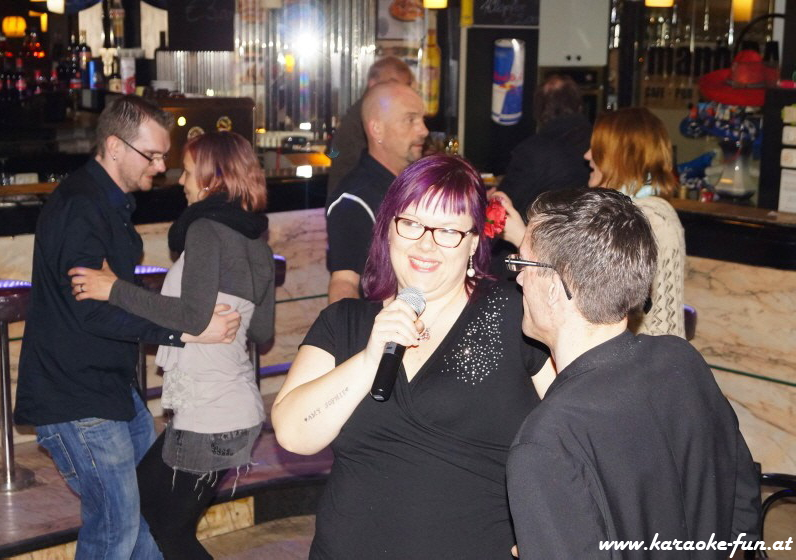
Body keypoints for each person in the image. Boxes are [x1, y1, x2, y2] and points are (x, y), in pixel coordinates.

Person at [273, 154, 552, 559]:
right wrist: (368, 360)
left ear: (474, 241)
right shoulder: (344, 322)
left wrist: (551, 525)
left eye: (447, 230)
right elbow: (293, 434)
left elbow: (576, 431)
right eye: (412, 223)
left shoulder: (514, 314)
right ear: (388, 227)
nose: (425, 243)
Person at [14, 96, 240, 560]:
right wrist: (186, 331)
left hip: (111, 388)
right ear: (115, 147)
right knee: (115, 530)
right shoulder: (81, 207)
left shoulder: (107, 202)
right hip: (76, 396)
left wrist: (179, 319)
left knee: (150, 520)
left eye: (163, 156)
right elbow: (92, 311)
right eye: (152, 155)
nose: (160, 167)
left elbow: (115, 296)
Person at [506, 188, 760, 559]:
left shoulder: (548, 440)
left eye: (523, 265)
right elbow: (743, 508)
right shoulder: (682, 361)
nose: (517, 279)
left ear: (557, 287)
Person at [68, 131, 275, 560]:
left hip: (209, 413)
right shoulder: (257, 242)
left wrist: (113, 289)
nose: (180, 179)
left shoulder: (205, 229)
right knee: (151, 516)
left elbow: (191, 317)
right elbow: (262, 330)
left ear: (213, 176)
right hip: (232, 411)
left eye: (188, 169)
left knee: (164, 528)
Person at [585, 106, 686, 337]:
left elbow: (597, 297)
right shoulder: (626, 212)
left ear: (618, 158)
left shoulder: (651, 219)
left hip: (646, 357)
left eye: (596, 149)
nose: (587, 156)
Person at [325, 80, 428, 303]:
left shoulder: (416, 185)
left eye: (422, 120)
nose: (424, 130)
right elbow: (344, 283)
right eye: (410, 120)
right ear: (377, 130)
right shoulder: (355, 200)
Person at [490, 74, 592, 279]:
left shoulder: (533, 151)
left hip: (536, 255)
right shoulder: (600, 142)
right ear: (579, 105)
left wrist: (492, 197)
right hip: (587, 255)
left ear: (539, 112)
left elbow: (505, 206)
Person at [326, 55, 414, 197]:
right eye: (393, 85)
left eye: (405, 86)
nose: (401, 93)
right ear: (373, 84)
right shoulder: (364, 119)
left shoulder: (379, 114)